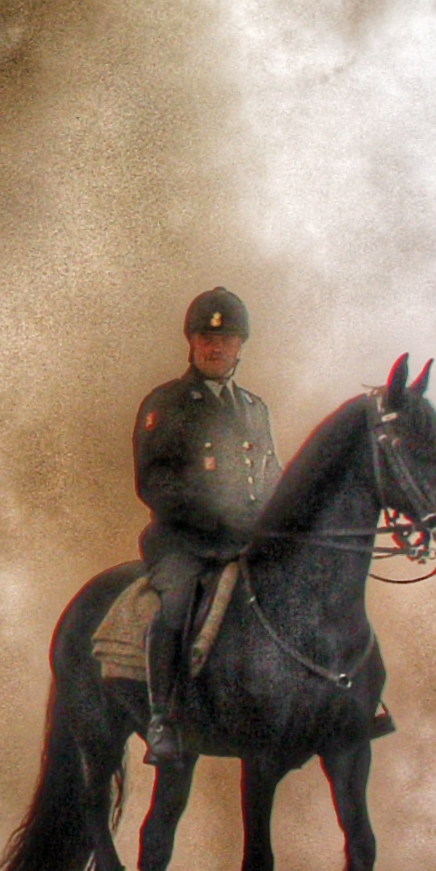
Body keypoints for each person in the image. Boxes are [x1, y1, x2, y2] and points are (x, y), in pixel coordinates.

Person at [136, 286, 279, 770]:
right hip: (184, 544)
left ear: (241, 346)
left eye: (228, 339)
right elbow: (152, 483)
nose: (216, 347)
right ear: (192, 343)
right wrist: (220, 517)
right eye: (205, 338)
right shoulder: (168, 403)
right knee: (175, 605)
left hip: (244, 544)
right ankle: (161, 719)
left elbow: (271, 477)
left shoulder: (256, 410)